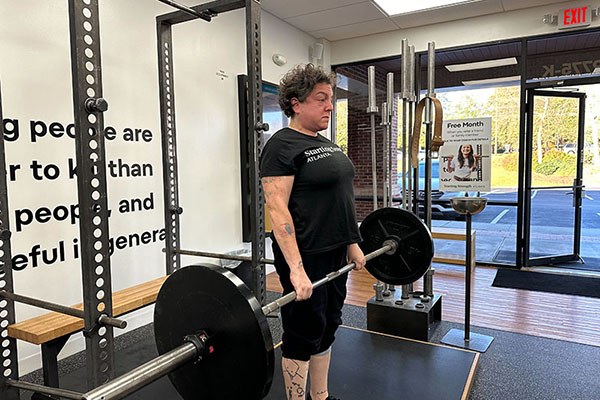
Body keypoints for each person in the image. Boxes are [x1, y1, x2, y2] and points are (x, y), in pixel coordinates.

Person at [260, 63, 366, 400]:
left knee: (329, 324)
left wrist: (352, 244)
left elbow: (339, 199)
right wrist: (296, 270)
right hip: (305, 255)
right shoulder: (281, 146)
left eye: (330, 99)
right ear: (296, 103)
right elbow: (278, 211)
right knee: (303, 331)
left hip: (335, 251)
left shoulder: (326, 143)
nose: (330, 106)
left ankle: (319, 396)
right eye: (321, 99)